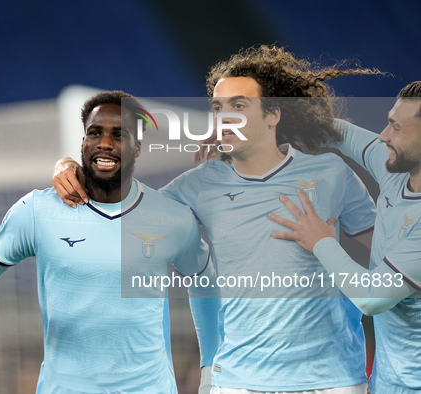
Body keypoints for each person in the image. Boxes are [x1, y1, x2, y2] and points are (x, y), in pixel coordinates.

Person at [51, 45, 380, 393]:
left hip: (333, 379)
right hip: (241, 381)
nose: (225, 116)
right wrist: (67, 166)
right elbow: (117, 210)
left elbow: (388, 254)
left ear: (273, 116)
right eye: (218, 108)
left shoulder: (331, 173)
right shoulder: (200, 182)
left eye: (239, 106)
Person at [0, 90, 219, 393]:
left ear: (138, 146)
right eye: (95, 133)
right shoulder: (38, 210)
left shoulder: (171, 217)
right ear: (82, 141)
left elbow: (205, 283)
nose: (105, 143)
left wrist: (211, 370)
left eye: (118, 134)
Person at [268, 81, 421, 393]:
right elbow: (341, 133)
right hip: (389, 383)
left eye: (395, 127)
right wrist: (252, 131)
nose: (383, 136)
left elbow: (371, 298)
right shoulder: (398, 172)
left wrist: (321, 241)